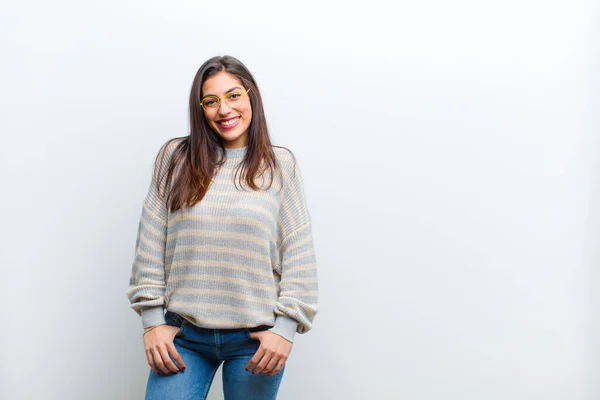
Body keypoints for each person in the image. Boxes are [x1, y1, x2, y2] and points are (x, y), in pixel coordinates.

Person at [126, 55, 319, 400]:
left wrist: (286, 329)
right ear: (200, 109)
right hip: (183, 335)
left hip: (255, 340)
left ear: (251, 96)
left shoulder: (280, 165)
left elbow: (298, 251)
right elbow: (150, 243)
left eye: (233, 95)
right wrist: (153, 322)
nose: (223, 109)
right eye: (210, 101)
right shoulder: (175, 158)